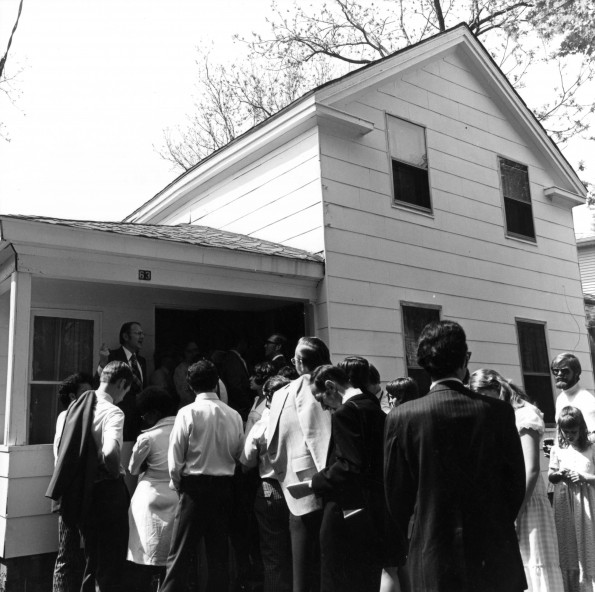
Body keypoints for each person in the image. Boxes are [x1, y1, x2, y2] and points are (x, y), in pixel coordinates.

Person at [384, 320, 526, 592]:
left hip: (432, 555)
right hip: (493, 553)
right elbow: (514, 485)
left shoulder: (401, 417)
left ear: (422, 362)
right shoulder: (498, 412)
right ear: (466, 358)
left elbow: (396, 497)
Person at [470, 369, 564, 592]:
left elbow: (531, 469)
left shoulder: (525, 414)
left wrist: (516, 510)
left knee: (535, 564)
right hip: (509, 502)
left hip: (526, 500)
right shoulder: (501, 414)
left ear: (495, 388)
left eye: (481, 394)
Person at [47, 361, 133, 592]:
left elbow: (59, 453)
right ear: (122, 383)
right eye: (126, 390)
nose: (124, 396)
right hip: (107, 492)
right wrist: (115, 472)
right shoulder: (112, 411)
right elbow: (110, 452)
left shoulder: (69, 412)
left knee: (91, 558)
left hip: (79, 491)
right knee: (110, 561)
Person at [160, 360, 244, 592]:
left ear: (189, 386)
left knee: (180, 554)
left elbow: (175, 458)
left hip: (194, 488)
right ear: (217, 382)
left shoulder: (187, 413)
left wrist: (179, 485)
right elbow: (239, 453)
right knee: (218, 555)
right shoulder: (234, 415)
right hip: (223, 487)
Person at [310, 364, 388, 592]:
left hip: (344, 509)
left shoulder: (346, 412)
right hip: (373, 508)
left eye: (320, 398)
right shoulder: (373, 406)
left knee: (336, 578)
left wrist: (315, 482)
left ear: (331, 386)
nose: (323, 407)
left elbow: (349, 465)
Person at [266, 336, 332, 592]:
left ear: (298, 362)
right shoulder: (319, 386)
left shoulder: (285, 391)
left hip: (296, 484)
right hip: (319, 484)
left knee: (302, 568)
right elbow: (323, 436)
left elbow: (274, 441)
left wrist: (288, 474)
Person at [240, 375, 292, 592]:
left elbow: (246, 462)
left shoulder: (262, 425)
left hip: (270, 489)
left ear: (268, 398)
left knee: (273, 554)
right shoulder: (302, 420)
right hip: (299, 490)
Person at [127, 386, 179, 592]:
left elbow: (133, 468)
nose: (143, 418)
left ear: (155, 413)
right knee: (171, 557)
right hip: (176, 495)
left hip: (150, 497)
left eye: (144, 414)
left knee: (145, 556)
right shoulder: (184, 429)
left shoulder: (148, 437)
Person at [52, 373, 93, 592]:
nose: (91, 397)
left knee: (83, 552)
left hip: (81, 489)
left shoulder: (84, 415)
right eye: (85, 393)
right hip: (70, 490)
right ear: (72, 396)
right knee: (67, 553)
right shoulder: (67, 416)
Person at [549, 406, 595, 592]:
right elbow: (551, 476)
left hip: (587, 502)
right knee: (568, 546)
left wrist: (584, 477)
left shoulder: (590, 448)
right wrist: (559, 474)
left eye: (573, 432)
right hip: (565, 503)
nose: (569, 436)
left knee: (588, 542)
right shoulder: (558, 449)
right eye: (565, 432)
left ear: (581, 428)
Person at [98, 322, 147, 441]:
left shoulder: (142, 361)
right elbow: (100, 382)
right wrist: (103, 362)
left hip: (138, 419)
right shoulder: (112, 356)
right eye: (138, 333)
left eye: (142, 333)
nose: (142, 337)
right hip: (119, 415)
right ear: (125, 336)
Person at [174, 341, 228, 407]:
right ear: (184, 353)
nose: (193, 354)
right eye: (189, 351)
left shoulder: (205, 366)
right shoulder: (180, 369)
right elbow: (184, 394)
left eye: (195, 350)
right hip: (189, 407)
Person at [551, 353, 595, 435]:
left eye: (565, 371)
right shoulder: (560, 399)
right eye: (556, 371)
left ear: (576, 372)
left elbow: (593, 435)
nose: (559, 374)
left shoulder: (586, 399)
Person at [221, 334, 252, 420]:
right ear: (240, 343)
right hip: (238, 407)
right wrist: (247, 403)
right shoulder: (232, 359)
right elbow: (235, 385)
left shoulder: (234, 358)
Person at [245, 361, 277, 434]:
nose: (250, 379)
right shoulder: (256, 399)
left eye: (255, 376)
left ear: (264, 378)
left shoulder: (269, 403)